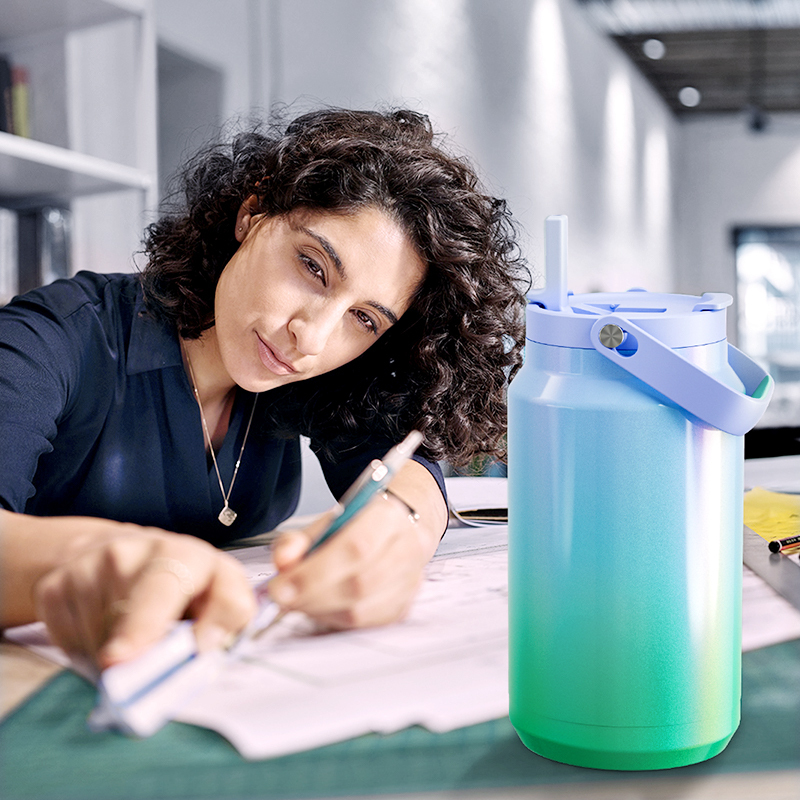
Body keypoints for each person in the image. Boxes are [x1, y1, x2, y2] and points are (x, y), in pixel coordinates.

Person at [0, 107, 528, 670]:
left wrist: (399, 527)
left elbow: (404, 469)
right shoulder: (53, 336)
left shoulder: (304, 375)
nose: (312, 336)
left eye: (365, 319)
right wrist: (91, 556)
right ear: (253, 212)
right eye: (313, 266)